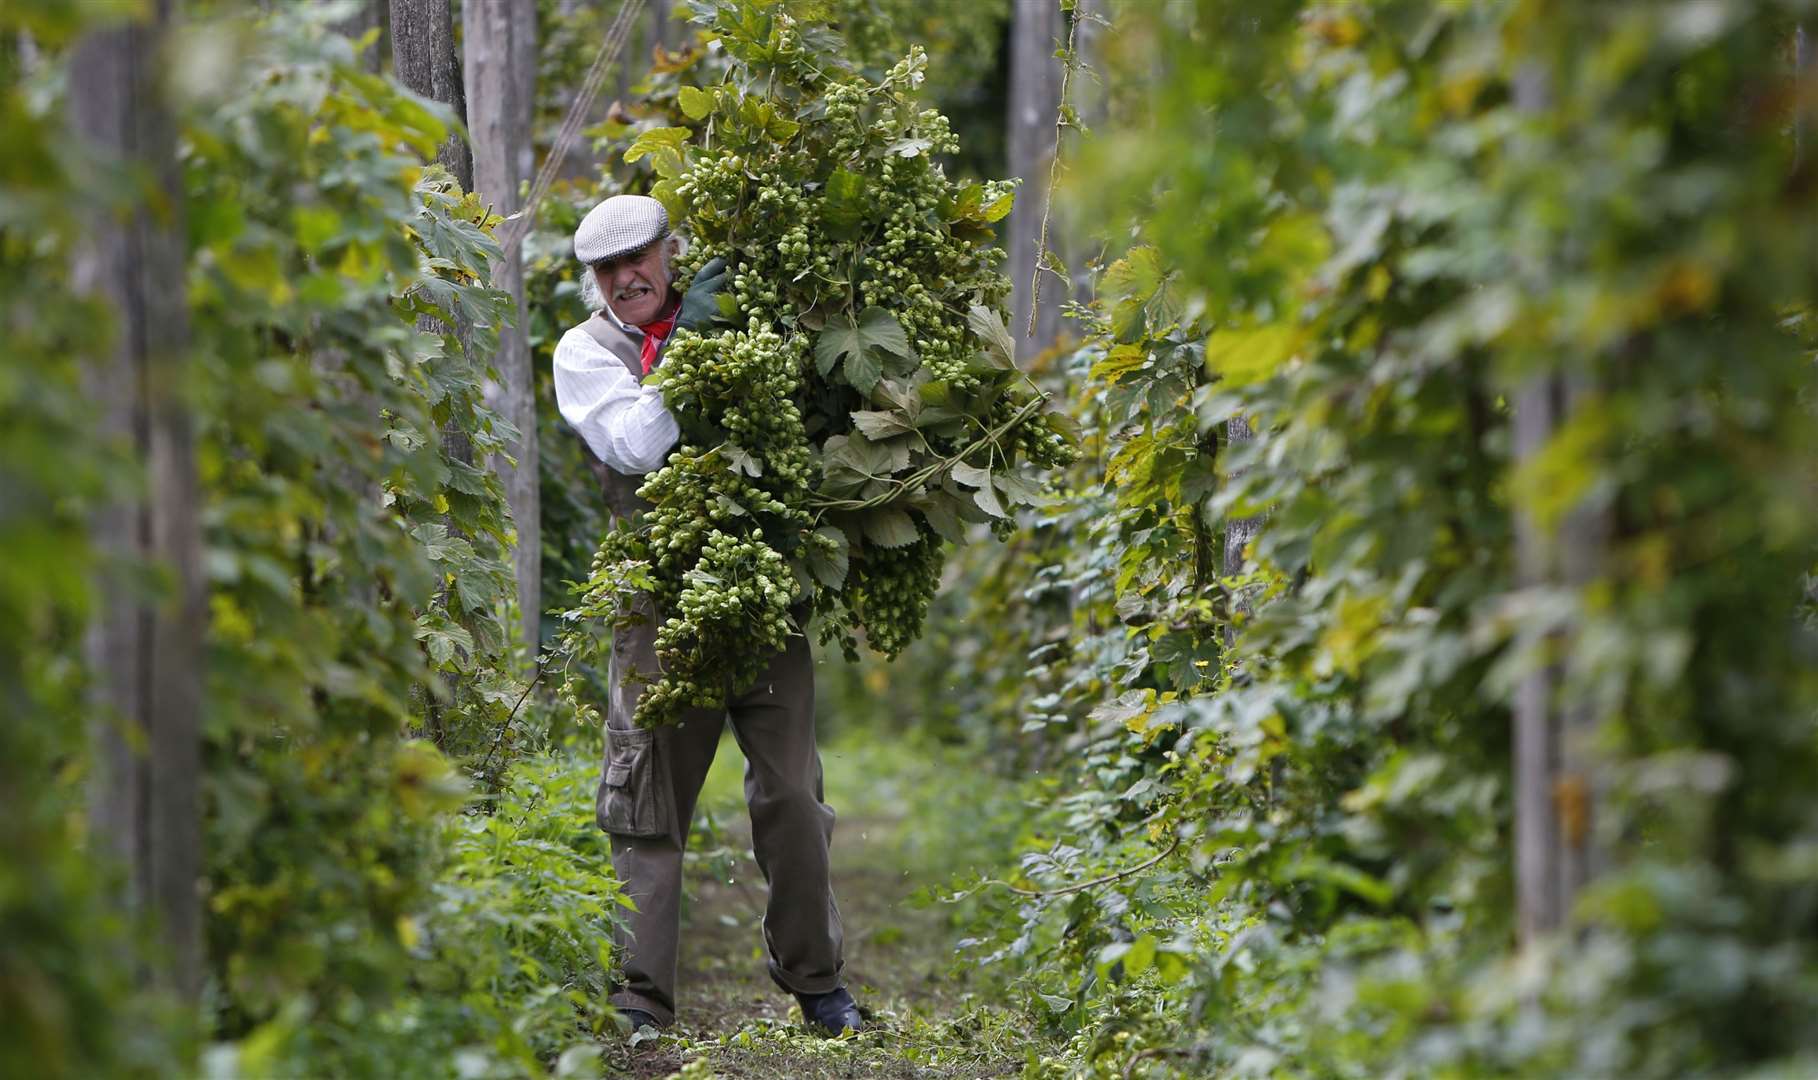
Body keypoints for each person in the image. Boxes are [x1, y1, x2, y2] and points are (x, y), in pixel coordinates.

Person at [550, 194, 863, 1039]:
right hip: (659, 605)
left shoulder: (743, 311)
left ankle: (819, 983)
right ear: (594, 282)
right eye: (608, 271)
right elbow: (636, 446)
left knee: (795, 796)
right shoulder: (583, 352)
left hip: (761, 590)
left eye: (639, 259)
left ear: (671, 251)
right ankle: (639, 998)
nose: (626, 280)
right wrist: (697, 345)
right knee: (647, 799)